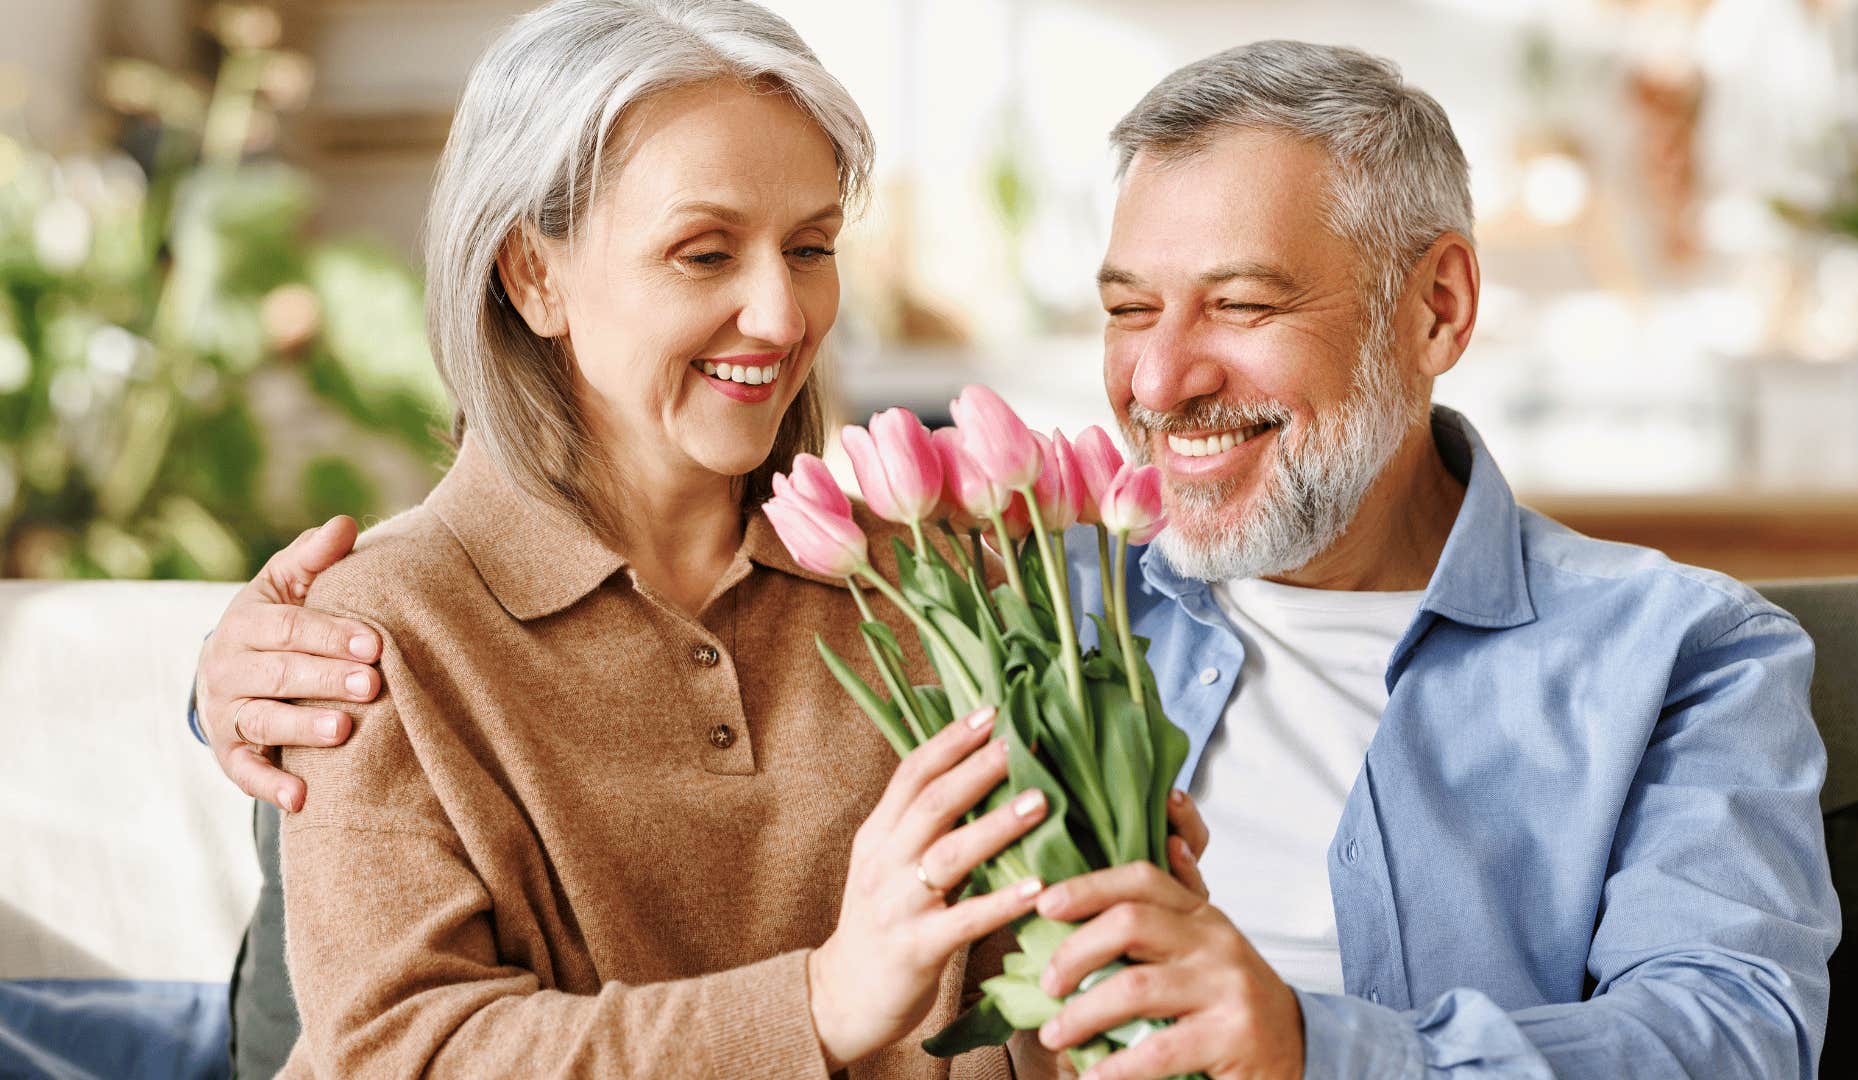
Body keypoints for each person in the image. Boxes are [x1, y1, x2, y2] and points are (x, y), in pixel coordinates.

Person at [198, 33, 1840, 1080]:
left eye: (1244, 305)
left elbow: (1734, 1036)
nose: (1159, 380)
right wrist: (226, 685)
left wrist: (1306, 1049)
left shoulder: (1678, 655)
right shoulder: (1012, 594)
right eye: (1127, 310)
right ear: (531, 278)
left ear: (1443, 312)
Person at [181, 2, 1211, 1076]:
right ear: (534, 276)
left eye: (810, 246)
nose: (780, 314)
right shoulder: (369, 639)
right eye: (703, 252)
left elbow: (1007, 1027)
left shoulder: (938, 582)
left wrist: (1105, 937)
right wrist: (819, 1004)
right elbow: (403, 1056)